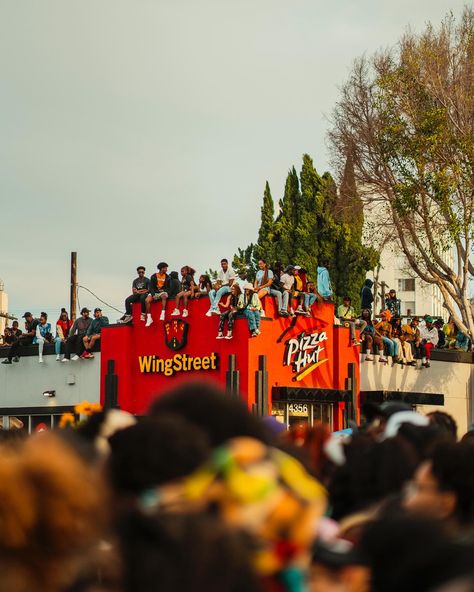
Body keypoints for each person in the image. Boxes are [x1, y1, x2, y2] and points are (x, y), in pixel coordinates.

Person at [145, 262, 171, 326]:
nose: (166, 270)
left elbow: (169, 287)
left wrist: (164, 290)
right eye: (165, 268)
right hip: (155, 292)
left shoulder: (168, 277)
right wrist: (153, 294)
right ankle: (149, 318)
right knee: (147, 300)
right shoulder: (154, 276)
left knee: (164, 296)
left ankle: (162, 313)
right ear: (162, 268)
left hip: (162, 292)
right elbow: (151, 287)